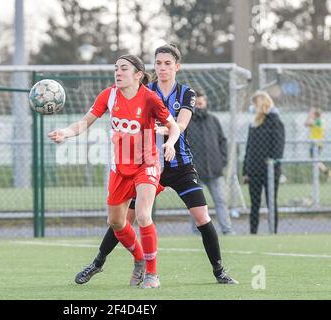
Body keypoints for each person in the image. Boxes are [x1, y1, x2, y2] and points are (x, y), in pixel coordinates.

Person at [74, 44, 238, 286]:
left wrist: (160, 130)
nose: (162, 68)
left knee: (202, 217)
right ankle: (97, 263)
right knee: (123, 219)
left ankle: (219, 271)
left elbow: (180, 125)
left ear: (177, 67)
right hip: (147, 165)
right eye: (159, 63)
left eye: (167, 63)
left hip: (179, 165)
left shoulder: (186, 94)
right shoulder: (143, 91)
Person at [49, 54, 181, 289]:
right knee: (116, 222)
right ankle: (140, 259)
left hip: (146, 164)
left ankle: (152, 275)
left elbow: (173, 126)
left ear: (138, 75)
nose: (118, 73)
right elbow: (84, 122)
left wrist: (170, 143)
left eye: (123, 69)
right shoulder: (108, 95)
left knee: (142, 215)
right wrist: (65, 133)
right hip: (119, 167)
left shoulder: (149, 99)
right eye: (116, 69)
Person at [187, 89, 233, 235]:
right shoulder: (186, 121)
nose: (200, 105)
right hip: (195, 171)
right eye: (197, 103)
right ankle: (196, 232)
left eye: (202, 102)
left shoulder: (213, 120)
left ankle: (227, 230)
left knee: (221, 200)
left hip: (215, 169)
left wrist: (222, 161)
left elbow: (222, 141)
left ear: (205, 102)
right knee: (195, 204)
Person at [243, 91, 285, 234]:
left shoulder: (275, 121)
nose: (253, 107)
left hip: (270, 171)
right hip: (253, 170)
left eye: (255, 104)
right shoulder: (253, 123)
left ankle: (273, 231)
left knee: (271, 203)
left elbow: (278, 147)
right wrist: (245, 170)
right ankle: (253, 232)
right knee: (254, 204)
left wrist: (272, 164)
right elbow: (248, 148)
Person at [304, 107, 330, 178]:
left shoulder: (318, 121)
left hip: (316, 144)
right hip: (316, 144)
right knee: (315, 161)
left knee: (315, 161)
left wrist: (310, 114)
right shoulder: (319, 121)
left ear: (315, 115)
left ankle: (327, 172)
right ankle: (326, 173)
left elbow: (306, 123)